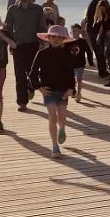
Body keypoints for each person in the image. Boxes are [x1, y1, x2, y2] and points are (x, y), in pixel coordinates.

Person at [29, 25, 76, 159]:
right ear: (48, 38)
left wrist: (71, 89)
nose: (56, 39)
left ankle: (62, 129)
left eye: (59, 37)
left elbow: (70, 73)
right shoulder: (41, 54)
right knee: (52, 116)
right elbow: (32, 73)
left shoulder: (66, 54)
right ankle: (55, 146)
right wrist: (38, 87)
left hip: (63, 91)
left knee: (61, 117)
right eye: (53, 36)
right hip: (48, 91)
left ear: (63, 39)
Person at [4, 0, 46, 112]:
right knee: (19, 75)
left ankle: (32, 87)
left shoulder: (38, 9)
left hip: (33, 45)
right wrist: (10, 42)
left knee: (33, 73)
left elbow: (42, 27)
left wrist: (42, 43)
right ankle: (22, 102)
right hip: (18, 45)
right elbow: (8, 27)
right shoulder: (12, 9)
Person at [85, 0, 110, 78]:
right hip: (95, 31)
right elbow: (102, 18)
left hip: (93, 30)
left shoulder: (95, 1)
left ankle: (103, 71)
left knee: (99, 51)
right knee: (100, 52)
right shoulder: (99, 2)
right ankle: (102, 72)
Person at [67, 24, 94, 102]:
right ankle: (73, 91)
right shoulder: (68, 42)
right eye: (73, 31)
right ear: (70, 32)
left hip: (80, 64)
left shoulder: (83, 42)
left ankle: (79, 94)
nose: (74, 32)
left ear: (79, 31)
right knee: (72, 80)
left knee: (79, 79)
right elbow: (64, 52)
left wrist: (91, 62)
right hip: (70, 65)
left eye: (76, 30)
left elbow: (89, 52)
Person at [93, 0, 110, 82]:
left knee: (108, 52)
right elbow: (102, 26)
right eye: (100, 9)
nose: (101, 10)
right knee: (104, 53)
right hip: (105, 35)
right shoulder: (102, 14)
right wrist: (99, 37)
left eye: (102, 8)